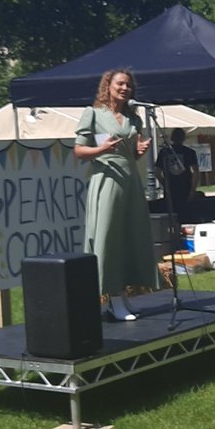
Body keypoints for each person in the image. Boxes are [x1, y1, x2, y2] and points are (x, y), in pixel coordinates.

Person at [73, 69, 158, 318]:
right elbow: (79, 151)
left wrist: (140, 150)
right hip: (107, 180)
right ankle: (113, 298)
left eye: (128, 86)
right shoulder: (94, 114)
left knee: (130, 237)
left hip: (130, 181)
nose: (124, 89)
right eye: (120, 84)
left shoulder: (134, 118)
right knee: (110, 239)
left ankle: (124, 295)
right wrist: (101, 149)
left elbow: (131, 154)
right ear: (108, 85)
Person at [157, 128, 198, 211]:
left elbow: (156, 172)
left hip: (170, 188)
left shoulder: (164, 152)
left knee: (172, 215)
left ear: (171, 137)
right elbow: (195, 172)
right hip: (185, 187)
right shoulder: (190, 152)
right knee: (186, 213)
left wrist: (164, 183)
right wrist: (193, 189)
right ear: (184, 138)